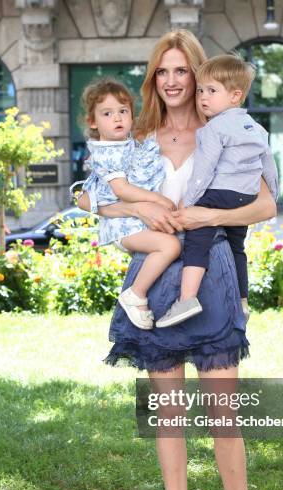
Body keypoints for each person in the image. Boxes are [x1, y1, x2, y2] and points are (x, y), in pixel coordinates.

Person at [77, 30, 277, 490]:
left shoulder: (229, 130)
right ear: (153, 78)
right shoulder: (135, 134)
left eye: (181, 71)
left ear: (198, 74)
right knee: (169, 416)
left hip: (211, 276)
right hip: (154, 279)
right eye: (161, 71)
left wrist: (203, 218)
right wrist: (143, 211)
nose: (171, 80)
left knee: (225, 415)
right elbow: (95, 193)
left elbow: (265, 204)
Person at [156, 53, 278, 328]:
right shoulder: (256, 128)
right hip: (244, 196)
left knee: (198, 237)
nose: (203, 97)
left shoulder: (214, 128)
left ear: (235, 96)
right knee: (238, 248)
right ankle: (243, 301)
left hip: (221, 193)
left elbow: (204, 170)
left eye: (211, 91)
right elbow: (268, 166)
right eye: (201, 90)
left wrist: (191, 203)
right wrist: (274, 191)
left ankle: (186, 298)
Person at [79, 77, 181, 330]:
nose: (117, 118)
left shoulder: (126, 145)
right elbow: (121, 189)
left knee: (172, 238)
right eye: (107, 113)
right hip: (122, 227)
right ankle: (136, 294)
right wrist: (158, 198)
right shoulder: (106, 152)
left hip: (131, 222)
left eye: (123, 111)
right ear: (93, 122)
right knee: (169, 246)